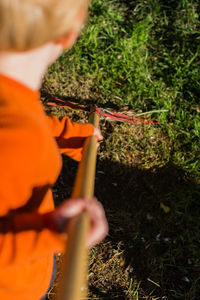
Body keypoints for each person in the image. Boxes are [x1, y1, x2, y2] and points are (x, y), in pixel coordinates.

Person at [0, 0, 108, 299]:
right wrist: (54, 234)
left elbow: (17, 121)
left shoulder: (13, 107)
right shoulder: (19, 137)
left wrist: (64, 134)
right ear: (69, 34)